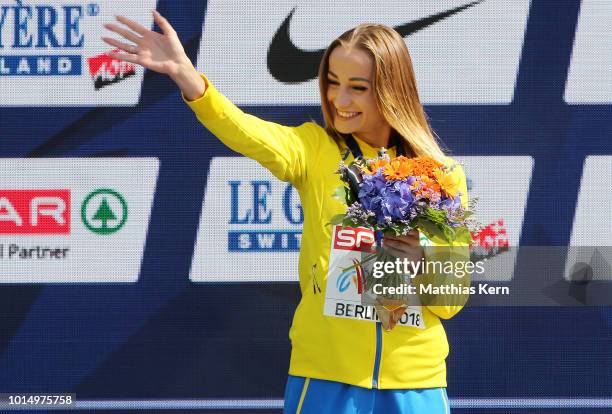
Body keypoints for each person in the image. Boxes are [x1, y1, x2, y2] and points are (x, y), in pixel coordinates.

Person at [103, 11, 470, 414]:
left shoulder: (440, 174)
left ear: (391, 89)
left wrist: (422, 261)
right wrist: (190, 80)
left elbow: (450, 302)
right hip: (327, 377)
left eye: (357, 88)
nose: (339, 100)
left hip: (416, 384)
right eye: (333, 83)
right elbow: (246, 131)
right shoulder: (314, 149)